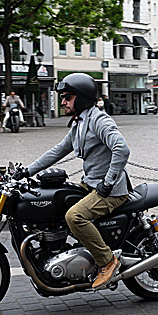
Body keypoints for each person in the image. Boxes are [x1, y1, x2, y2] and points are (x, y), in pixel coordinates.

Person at [10, 73, 131, 290]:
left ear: (82, 98)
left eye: (67, 97)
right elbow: (57, 151)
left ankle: (107, 261)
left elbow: (121, 149)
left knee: (74, 216)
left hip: (110, 191)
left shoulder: (99, 120)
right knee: (59, 201)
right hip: (91, 183)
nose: (63, 102)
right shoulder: (79, 123)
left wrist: (109, 181)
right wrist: (27, 171)